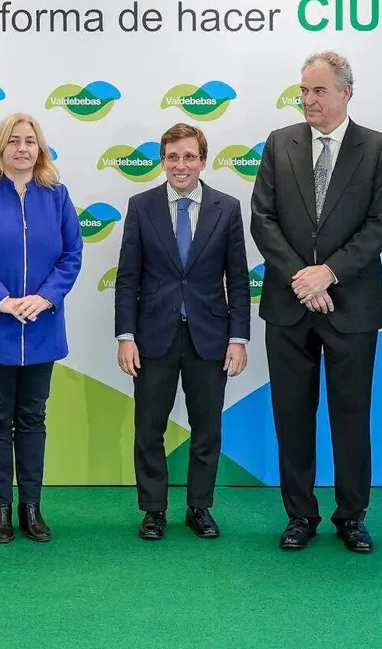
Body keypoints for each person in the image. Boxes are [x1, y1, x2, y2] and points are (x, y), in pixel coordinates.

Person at [250, 50, 382, 552]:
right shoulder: (279, 142)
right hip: (289, 305)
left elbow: (379, 225)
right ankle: (300, 515)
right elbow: (263, 218)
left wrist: (328, 273)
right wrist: (302, 278)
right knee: (292, 416)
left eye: (318, 90)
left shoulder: (377, 148)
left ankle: (352, 516)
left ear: (345, 92)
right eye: (304, 91)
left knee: (351, 416)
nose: (308, 100)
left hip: (350, 306)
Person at [114, 122, 249, 541]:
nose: (181, 165)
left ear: (203, 161)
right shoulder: (142, 206)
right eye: (172, 157)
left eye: (190, 156)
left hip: (210, 337)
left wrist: (238, 338)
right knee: (149, 428)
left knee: (207, 429)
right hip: (153, 337)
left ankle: (199, 508)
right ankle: (153, 510)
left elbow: (238, 280)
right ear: (162, 161)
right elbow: (128, 278)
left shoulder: (227, 208)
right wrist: (126, 336)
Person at [0, 112, 82, 544]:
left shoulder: (56, 194)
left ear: (39, 147)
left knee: (32, 417)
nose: (22, 148)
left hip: (41, 325)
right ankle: (1, 508)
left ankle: (31, 506)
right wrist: (2, 300)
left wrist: (45, 297)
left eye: (29, 140)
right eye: (13, 140)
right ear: (0, 147)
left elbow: (72, 253)